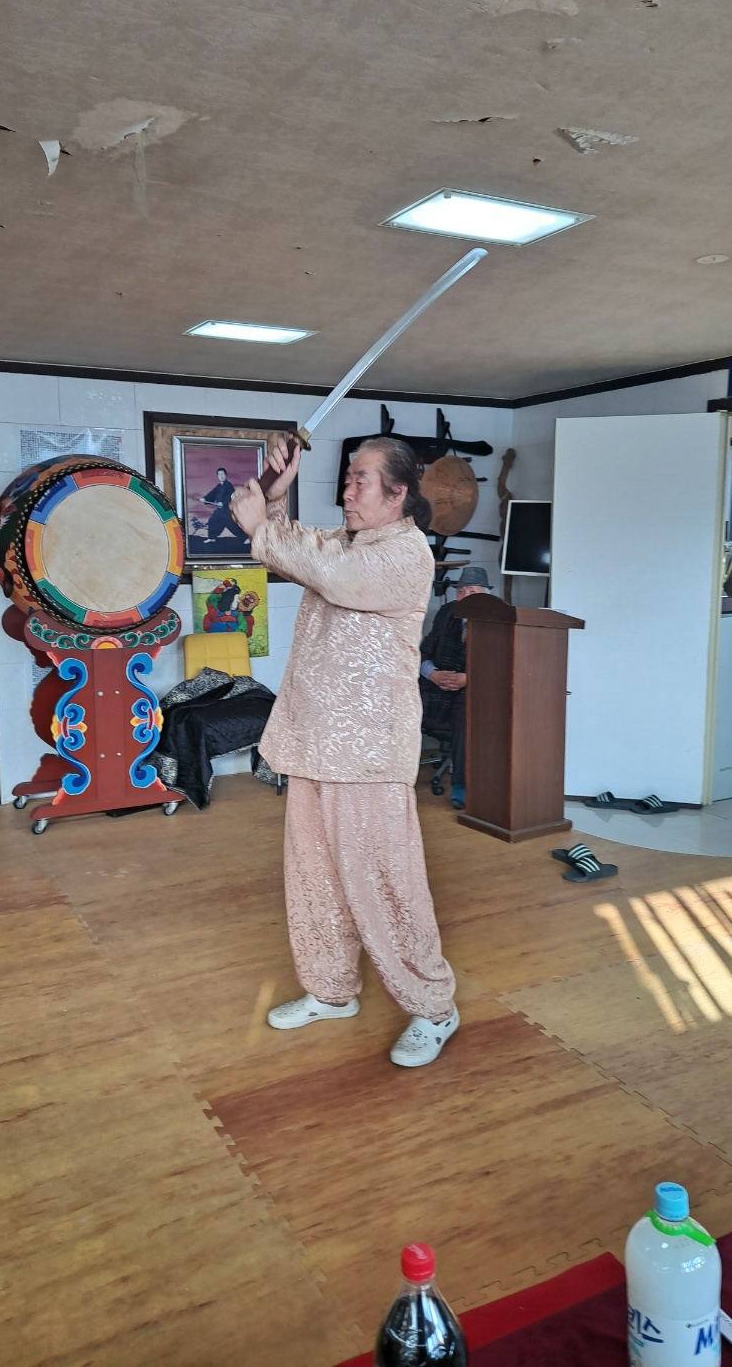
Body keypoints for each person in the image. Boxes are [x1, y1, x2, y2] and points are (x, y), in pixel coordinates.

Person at [229, 435, 459, 1068]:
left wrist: (262, 529)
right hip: (315, 740)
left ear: (398, 493)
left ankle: (433, 1007)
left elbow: (333, 576)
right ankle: (331, 990)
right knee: (315, 879)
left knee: (384, 882)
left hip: (368, 751)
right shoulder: (348, 542)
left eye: (361, 480)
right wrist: (275, 496)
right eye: (348, 479)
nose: (347, 491)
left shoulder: (406, 554)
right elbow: (303, 551)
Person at [420, 565, 491, 811]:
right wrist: (433, 674)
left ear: (485, 596)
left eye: (472, 592)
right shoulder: (447, 613)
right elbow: (424, 651)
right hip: (436, 683)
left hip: (473, 687)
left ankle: (461, 784)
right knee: (402, 702)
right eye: (461, 591)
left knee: (466, 715)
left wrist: (469, 679)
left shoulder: (497, 619)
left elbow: (500, 665)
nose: (464, 596)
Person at [203, 466, 249, 544]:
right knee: (212, 520)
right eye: (219, 474)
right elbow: (212, 494)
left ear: (225, 475)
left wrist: (223, 503)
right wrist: (205, 498)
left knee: (231, 524)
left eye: (222, 474)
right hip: (220, 510)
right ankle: (212, 538)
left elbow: (231, 496)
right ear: (217, 476)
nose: (221, 476)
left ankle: (245, 538)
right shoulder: (218, 487)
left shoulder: (228, 485)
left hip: (227, 509)